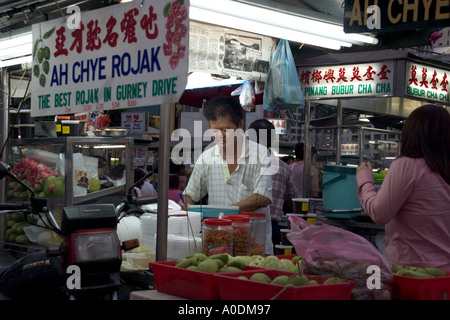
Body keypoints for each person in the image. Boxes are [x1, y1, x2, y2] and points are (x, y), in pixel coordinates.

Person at [356, 104, 450, 270]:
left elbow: (379, 213)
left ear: (412, 132)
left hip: (414, 273)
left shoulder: (407, 165)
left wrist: (365, 180)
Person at [180, 97, 275, 254]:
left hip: (254, 245)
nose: (220, 136)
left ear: (240, 126)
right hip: (218, 244)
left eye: (226, 129)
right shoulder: (207, 157)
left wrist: (226, 211)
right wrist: (186, 203)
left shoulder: (260, 154)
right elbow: (190, 195)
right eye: (214, 130)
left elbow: (262, 197)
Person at [248, 119, 296, 250]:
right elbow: (293, 202)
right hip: (273, 229)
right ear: (273, 139)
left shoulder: (239, 163)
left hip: (242, 226)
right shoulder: (284, 168)